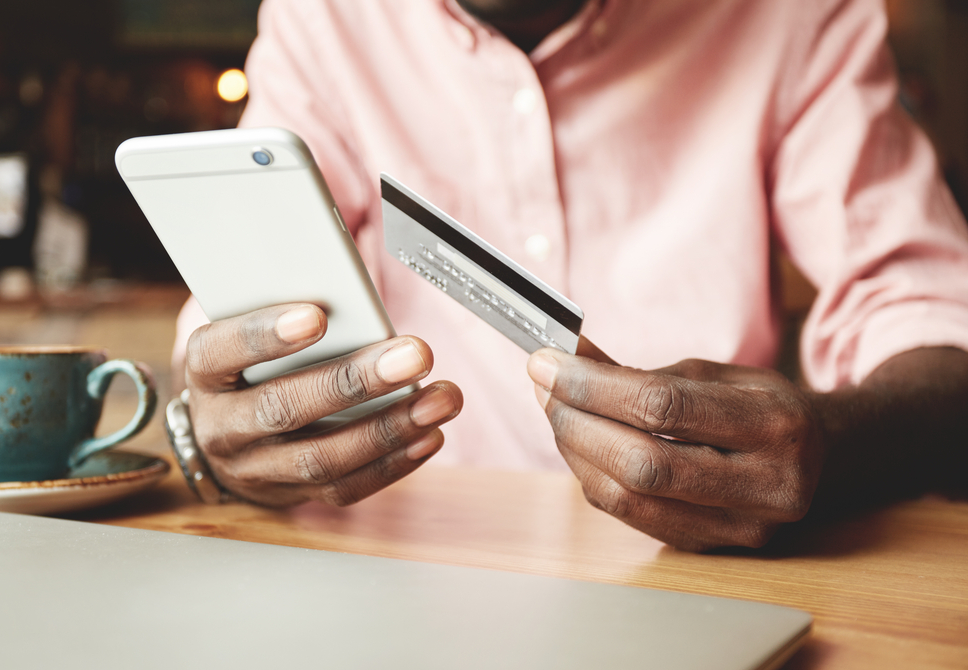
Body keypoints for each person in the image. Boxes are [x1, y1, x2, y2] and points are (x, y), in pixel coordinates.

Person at [171, 0, 968, 551]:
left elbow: (931, 312)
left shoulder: (789, 17)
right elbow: (248, 315)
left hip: (709, 578)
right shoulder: (326, 20)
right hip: (404, 559)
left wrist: (836, 444)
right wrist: (227, 429)